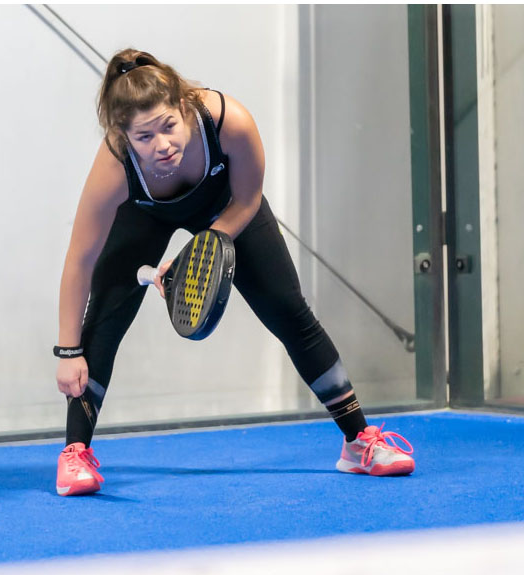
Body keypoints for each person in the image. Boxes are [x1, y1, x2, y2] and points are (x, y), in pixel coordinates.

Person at [53, 49, 414, 497]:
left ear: (184, 106)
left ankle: (359, 443)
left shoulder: (229, 120)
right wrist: (68, 352)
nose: (162, 145)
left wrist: (199, 253)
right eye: (144, 136)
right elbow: (80, 260)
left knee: (288, 310)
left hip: (228, 206)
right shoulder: (114, 164)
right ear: (124, 137)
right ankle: (74, 453)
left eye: (168, 126)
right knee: (102, 323)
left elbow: (247, 199)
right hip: (143, 215)